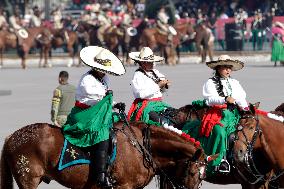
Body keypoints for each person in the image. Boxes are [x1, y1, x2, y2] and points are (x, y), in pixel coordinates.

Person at [62, 46, 126, 188]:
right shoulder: (87, 79)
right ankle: (101, 175)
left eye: (105, 69)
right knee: (102, 133)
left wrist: (115, 105)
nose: (103, 71)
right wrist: (109, 99)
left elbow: (105, 99)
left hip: (99, 111)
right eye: (101, 68)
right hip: (85, 114)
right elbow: (98, 98)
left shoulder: (105, 78)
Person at [182, 55, 249, 176]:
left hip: (234, 114)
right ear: (218, 68)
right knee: (220, 132)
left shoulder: (235, 82)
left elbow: (241, 98)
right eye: (225, 67)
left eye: (229, 67)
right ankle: (220, 161)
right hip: (217, 114)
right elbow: (209, 100)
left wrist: (246, 109)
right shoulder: (210, 82)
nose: (228, 70)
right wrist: (224, 99)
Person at [127, 47, 173, 127]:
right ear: (143, 63)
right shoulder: (138, 75)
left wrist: (165, 86)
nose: (153, 64)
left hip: (159, 104)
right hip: (147, 106)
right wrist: (158, 86)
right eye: (150, 62)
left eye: (152, 62)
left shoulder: (155, 72)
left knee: (175, 117)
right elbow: (140, 94)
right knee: (164, 124)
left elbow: (161, 90)